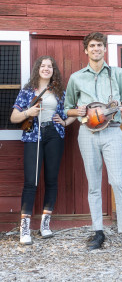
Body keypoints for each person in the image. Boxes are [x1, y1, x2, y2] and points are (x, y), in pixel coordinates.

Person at [64, 32, 122, 253]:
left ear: (105, 49)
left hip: (112, 131)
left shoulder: (118, 74)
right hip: (87, 134)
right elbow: (67, 108)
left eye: (100, 45)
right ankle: (98, 231)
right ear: (85, 50)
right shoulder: (76, 77)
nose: (96, 49)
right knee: (93, 184)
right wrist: (77, 110)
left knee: (117, 182)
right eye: (92, 45)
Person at [10, 56, 75, 245]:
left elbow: (71, 112)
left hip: (54, 134)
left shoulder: (59, 91)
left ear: (53, 70)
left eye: (50, 66)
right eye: (43, 66)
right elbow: (14, 116)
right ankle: (24, 229)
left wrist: (64, 122)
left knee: (52, 180)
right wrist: (27, 113)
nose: (46, 69)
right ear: (37, 69)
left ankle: (45, 225)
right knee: (31, 181)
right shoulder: (28, 90)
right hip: (33, 136)